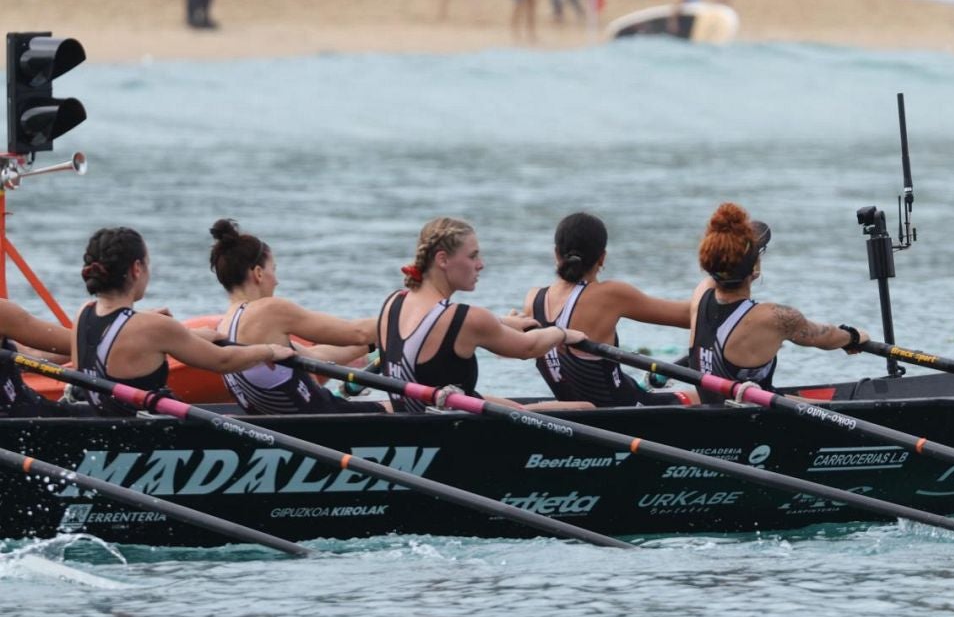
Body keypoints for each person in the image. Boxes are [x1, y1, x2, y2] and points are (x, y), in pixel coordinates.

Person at [74, 227, 292, 417]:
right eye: (148, 264)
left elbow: (132, 348)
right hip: (146, 436)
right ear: (137, 269)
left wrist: (191, 337)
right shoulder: (150, 327)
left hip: (105, 424)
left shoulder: (84, 313)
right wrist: (268, 351)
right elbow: (223, 361)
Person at [378, 217, 587, 412]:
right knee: (586, 408)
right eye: (472, 256)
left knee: (520, 408)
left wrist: (501, 322)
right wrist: (561, 333)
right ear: (442, 260)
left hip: (420, 415)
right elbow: (528, 347)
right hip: (446, 431)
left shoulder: (393, 302)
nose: (480, 264)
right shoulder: (468, 318)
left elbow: (435, 327)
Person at [688, 203, 870, 405]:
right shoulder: (774, 317)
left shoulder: (700, 296)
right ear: (755, 266)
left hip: (713, 411)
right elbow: (826, 337)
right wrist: (853, 337)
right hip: (751, 424)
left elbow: (645, 310)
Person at [208, 219, 383, 415]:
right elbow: (357, 333)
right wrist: (400, 320)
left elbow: (318, 357)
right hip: (326, 425)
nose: (277, 281)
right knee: (411, 407)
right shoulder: (269, 310)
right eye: (273, 270)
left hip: (290, 426)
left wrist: (373, 344)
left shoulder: (222, 329)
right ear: (258, 273)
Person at [522, 213, 694, 407]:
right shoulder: (609, 295)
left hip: (573, 412)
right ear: (602, 258)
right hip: (629, 409)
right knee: (703, 398)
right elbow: (691, 317)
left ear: (556, 253)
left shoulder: (533, 300)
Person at [0, 300, 74, 417]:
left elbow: (34, 355)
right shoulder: (2, 312)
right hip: (21, 422)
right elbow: (81, 343)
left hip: (26, 412)